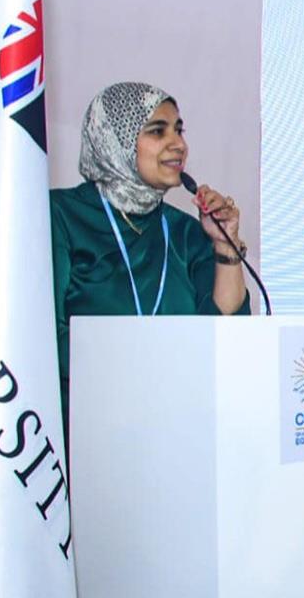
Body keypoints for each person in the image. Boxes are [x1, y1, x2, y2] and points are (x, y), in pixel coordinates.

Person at [48, 82, 251, 423]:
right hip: (88, 426)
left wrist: (223, 244)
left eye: (179, 130)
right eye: (158, 131)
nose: (179, 145)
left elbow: (227, 336)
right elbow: (44, 337)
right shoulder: (62, 216)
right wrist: (144, 372)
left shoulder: (187, 231)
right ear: (117, 141)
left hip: (177, 423)